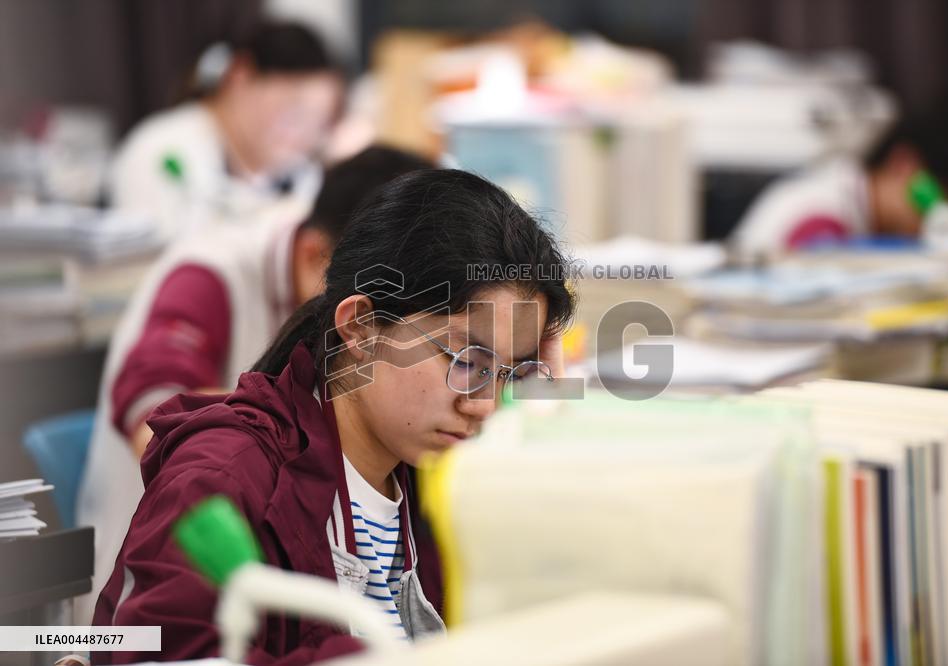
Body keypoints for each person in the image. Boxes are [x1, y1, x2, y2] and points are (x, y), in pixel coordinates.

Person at [90, 169, 575, 664]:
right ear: (361, 327)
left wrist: (544, 422)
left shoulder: (433, 475)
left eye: (507, 374)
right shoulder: (223, 476)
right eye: (467, 362)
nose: (483, 405)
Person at [77, 146, 435, 623]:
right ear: (315, 257)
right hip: (164, 580)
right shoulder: (210, 275)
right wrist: (272, 441)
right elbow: (155, 415)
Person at [109, 21, 346, 241]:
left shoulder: (300, 175)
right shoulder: (161, 150)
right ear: (240, 77)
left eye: (320, 121)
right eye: (293, 113)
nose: (302, 136)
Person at [732, 90, 948, 257]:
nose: (942, 222)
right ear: (904, 165)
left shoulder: (856, 211)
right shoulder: (822, 217)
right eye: (947, 201)